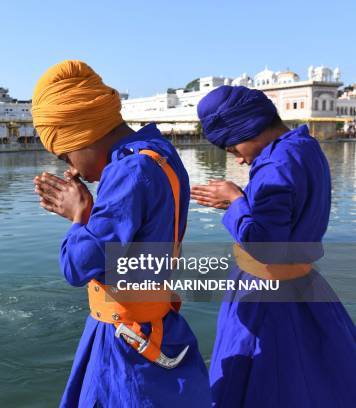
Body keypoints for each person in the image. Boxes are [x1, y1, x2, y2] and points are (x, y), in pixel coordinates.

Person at [32, 60, 210, 407]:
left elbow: (77, 266)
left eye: (65, 153)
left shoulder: (129, 171)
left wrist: (79, 215)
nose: (70, 167)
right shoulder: (160, 154)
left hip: (126, 342)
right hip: (156, 323)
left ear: (82, 134)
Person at [191, 85, 356, 407]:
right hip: (305, 285)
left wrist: (237, 201)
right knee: (317, 378)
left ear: (248, 128)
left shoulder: (274, 166)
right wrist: (243, 203)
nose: (238, 159)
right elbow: (290, 217)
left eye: (233, 148)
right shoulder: (304, 147)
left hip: (266, 292)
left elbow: (265, 246)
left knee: (257, 379)